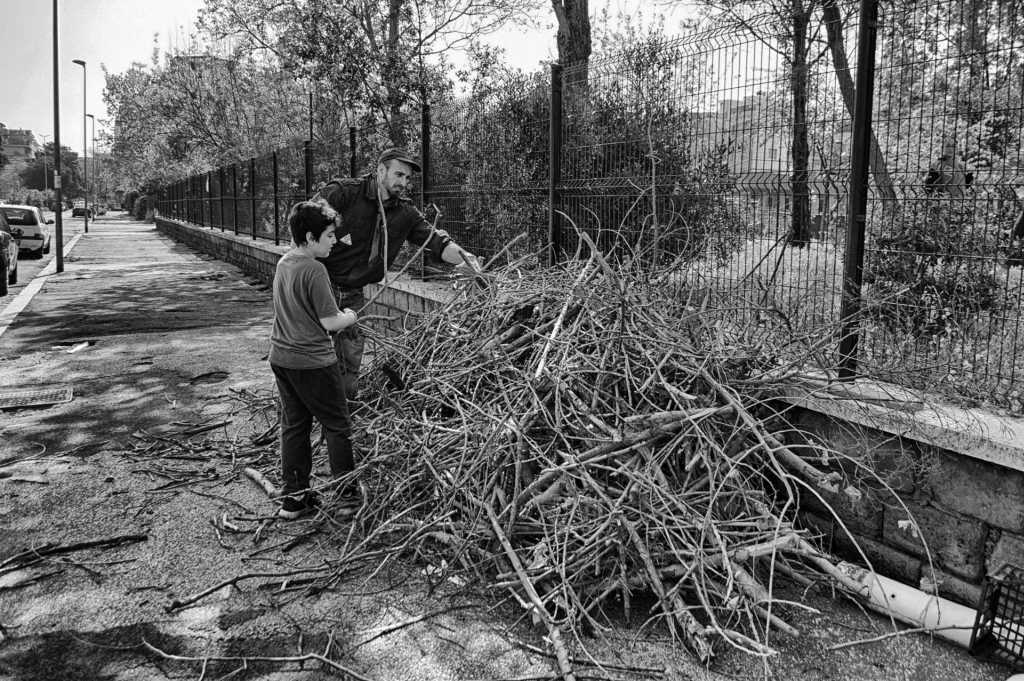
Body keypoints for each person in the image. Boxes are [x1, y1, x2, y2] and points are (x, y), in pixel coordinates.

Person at [315, 147, 480, 400]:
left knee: (349, 361)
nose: (404, 183)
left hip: (354, 295)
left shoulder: (405, 213)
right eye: (399, 175)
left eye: (408, 178)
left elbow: (437, 243)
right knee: (311, 356)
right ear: (381, 170)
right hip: (319, 286)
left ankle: (341, 416)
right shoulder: (343, 194)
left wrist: (468, 262)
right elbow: (303, 226)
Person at [269, 199, 360, 520]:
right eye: (330, 236)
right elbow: (330, 322)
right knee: (338, 426)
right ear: (309, 238)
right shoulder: (314, 269)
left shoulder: (284, 264)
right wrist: (350, 315)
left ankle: (294, 500)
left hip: (281, 357)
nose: (335, 241)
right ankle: (348, 498)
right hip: (312, 362)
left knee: (294, 426)